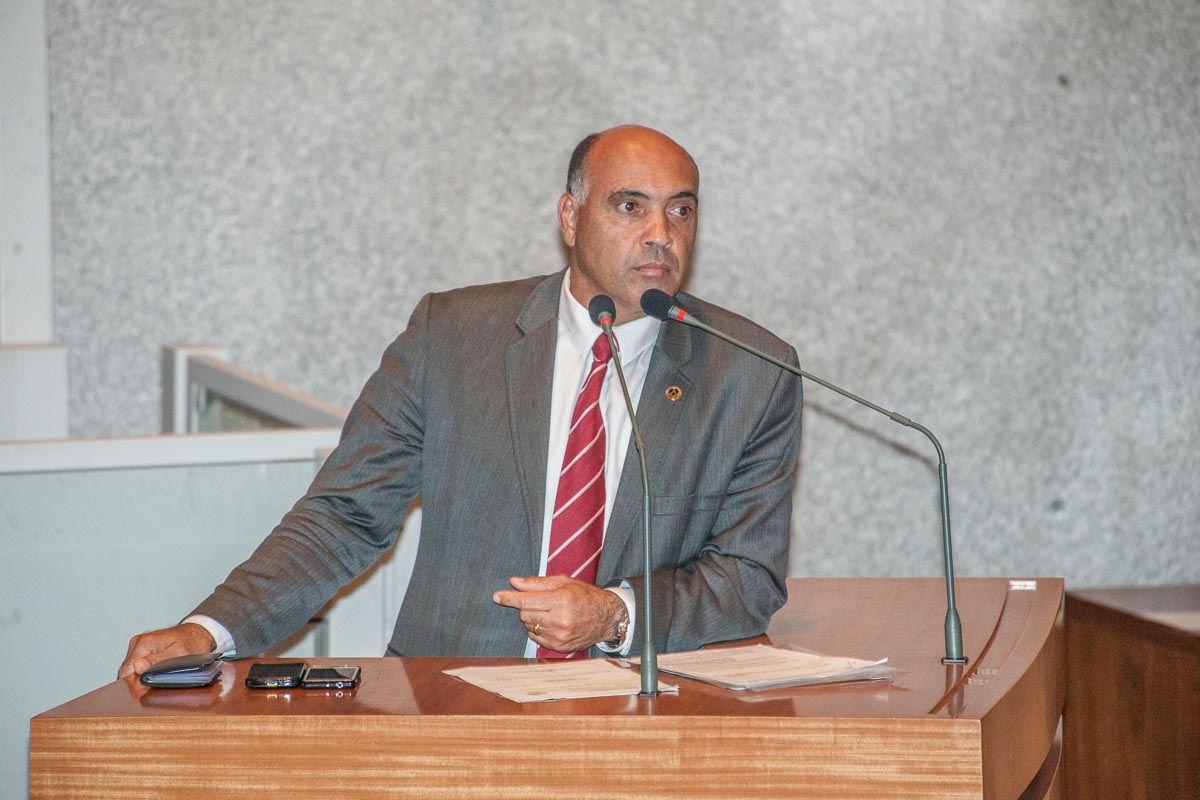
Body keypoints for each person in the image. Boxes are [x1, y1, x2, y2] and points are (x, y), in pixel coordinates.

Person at [118, 124, 803, 678]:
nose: (661, 232)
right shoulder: (450, 338)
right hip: (450, 698)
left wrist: (617, 614)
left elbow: (747, 577)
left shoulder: (750, 371)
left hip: (637, 707)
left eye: (681, 209)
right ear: (570, 217)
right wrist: (209, 630)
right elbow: (344, 516)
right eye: (630, 206)